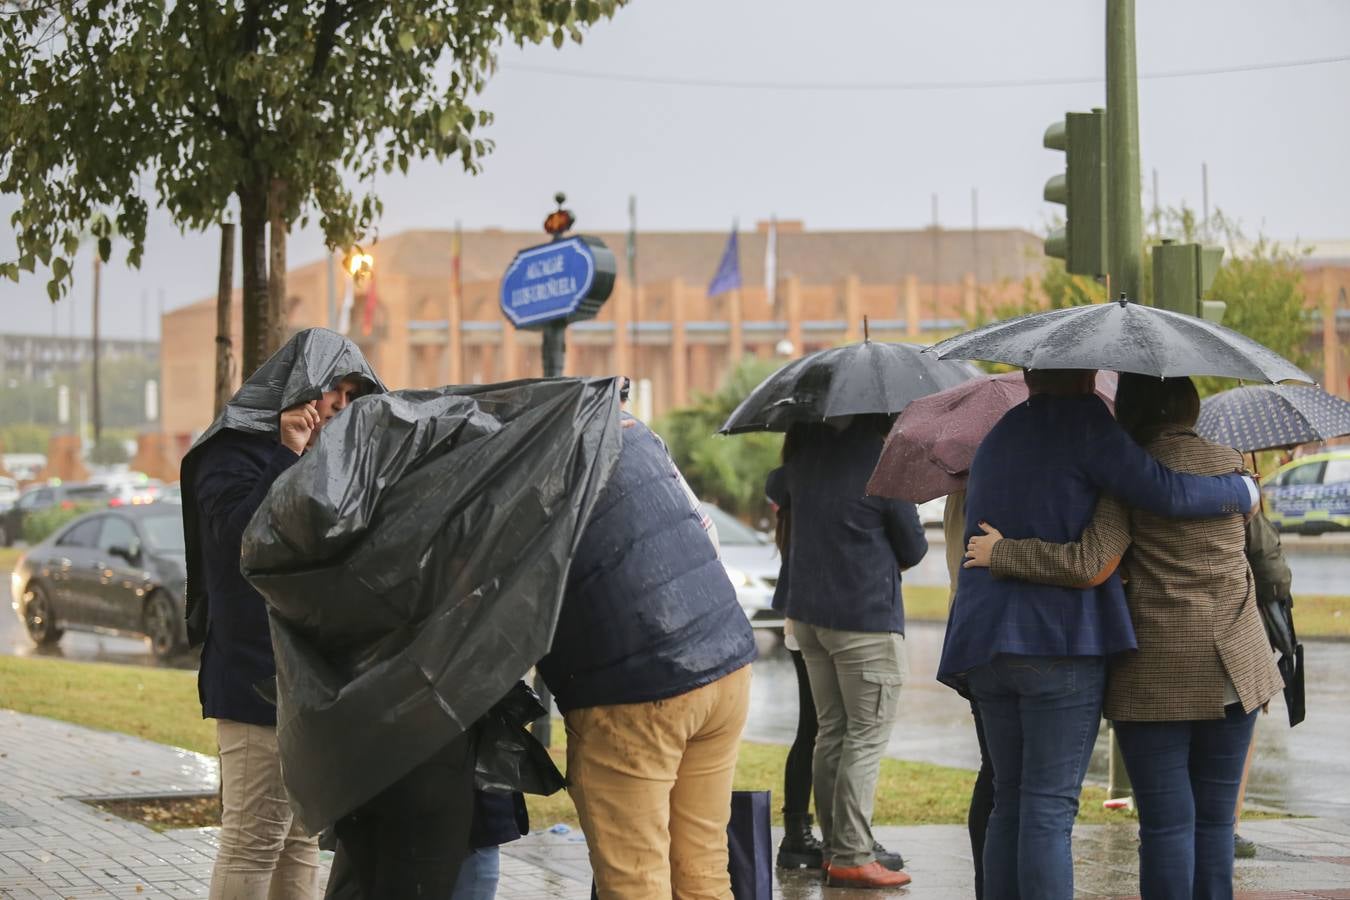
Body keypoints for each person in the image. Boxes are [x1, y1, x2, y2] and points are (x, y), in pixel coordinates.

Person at [938, 368, 1260, 900]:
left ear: (1027, 373)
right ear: (1086, 374)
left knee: (1011, 798)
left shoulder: (999, 433)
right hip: (1059, 644)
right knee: (1049, 806)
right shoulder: (1093, 429)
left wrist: (1002, 554)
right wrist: (1242, 488)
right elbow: (1159, 501)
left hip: (984, 640)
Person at [181, 329, 381, 900]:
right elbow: (236, 544)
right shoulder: (232, 451)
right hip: (254, 681)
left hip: (312, 682)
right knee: (251, 841)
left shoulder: (329, 460)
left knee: (299, 841)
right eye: (334, 392)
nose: (340, 407)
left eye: (350, 398)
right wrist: (286, 452)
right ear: (301, 388)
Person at [536, 409, 757, 899]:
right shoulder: (634, 432)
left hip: (633, 688)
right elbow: (707, 533)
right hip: (725, 661)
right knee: (702, 869)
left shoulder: (526, 463)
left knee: (637, 879)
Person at [777, 417, 925, 890]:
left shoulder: (803, 458)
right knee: (863, 737)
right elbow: (914, 546)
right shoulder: (883, 461)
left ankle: (835, 848)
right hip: (864, 620)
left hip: (811, 619)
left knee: (831, 734)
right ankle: (852, 854)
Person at [764, 460, 825, 870]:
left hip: (798, 615)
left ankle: (797, 831)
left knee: (813, 728)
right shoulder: (808, 476)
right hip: (816, 614)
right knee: (823, 729)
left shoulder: (792, 479)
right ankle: (805, 832)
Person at [943, 487, 994, 900]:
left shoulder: (963, 485)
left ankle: (985, 886)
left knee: (993, 771)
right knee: (1004, 776)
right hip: (989, 630)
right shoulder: (992, 479)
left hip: (969, 629)